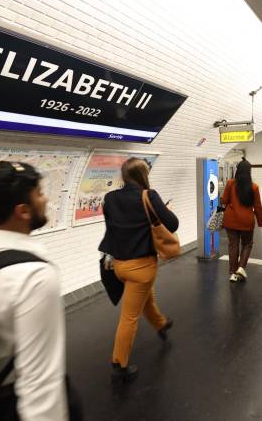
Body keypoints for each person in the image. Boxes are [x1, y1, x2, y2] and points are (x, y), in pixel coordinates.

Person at [0, 161, 69, 420]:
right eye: (40, 193)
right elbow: (39, 382)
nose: (45, 200)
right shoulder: (33, 276)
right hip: (7, 404)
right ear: (23, 211)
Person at [99, 158, 178, 386]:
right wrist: (162, 212)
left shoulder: (110, 198)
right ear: (144, 174)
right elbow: (172, 224)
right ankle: (119, 365)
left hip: (118, 265)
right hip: (141, 265)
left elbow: (113, 228)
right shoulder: (149, 196)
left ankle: (161, 324)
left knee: (145, 296)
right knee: (129, 317)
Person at [221, 159, 262, 282]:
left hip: (231, 220)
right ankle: (241, 267)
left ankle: (232, 273)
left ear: (238, 170)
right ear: (249, 172)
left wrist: (222, 208)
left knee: (233, 245)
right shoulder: (254, 187)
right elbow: (257, 207)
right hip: (246, 221)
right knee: (247, 244)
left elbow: (224, 200)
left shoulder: (230, 183)